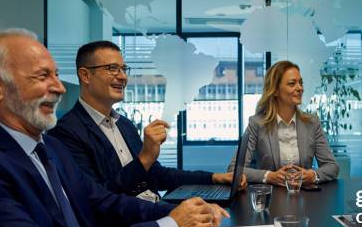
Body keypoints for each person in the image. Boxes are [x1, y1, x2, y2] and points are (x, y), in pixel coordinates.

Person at [0, 29, 228, 227]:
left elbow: (102, 201)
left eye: (56, 74)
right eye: (42, 76)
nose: (61, 87)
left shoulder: (51, 147)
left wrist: (178, 213)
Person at [49, 41, 245, 201]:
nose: (123, 76)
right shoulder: (66, 132)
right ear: (85, 75)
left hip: (155, 208)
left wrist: (214, 177)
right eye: (112, 68)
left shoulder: (124, 124)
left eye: (124, 69)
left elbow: (157, 175)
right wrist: (145, 158)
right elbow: (97, 199)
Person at [230, 60, 339, 185]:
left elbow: (332, 167)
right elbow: (234, 169)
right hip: (270, 198)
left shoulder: (312, 123)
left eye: (301, 83)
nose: (300, 88)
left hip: (305, 198)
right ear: (275, 90)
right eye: (292, 84)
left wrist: (313, 175)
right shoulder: (257, 124)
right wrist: (269, 176)